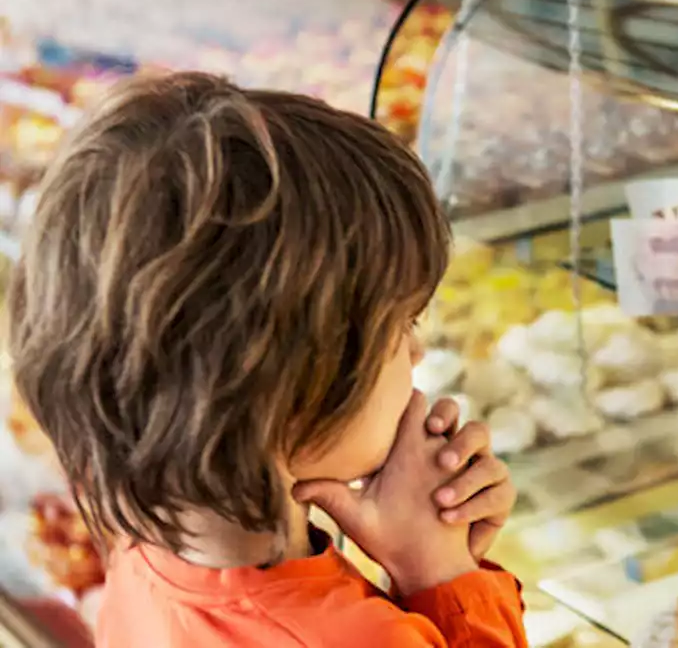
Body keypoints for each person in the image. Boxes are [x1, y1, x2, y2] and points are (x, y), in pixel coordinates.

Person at [8, 71, 526, 647]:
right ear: (286, 397)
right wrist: (445, 578)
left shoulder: (141, 548)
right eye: (401, 326)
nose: (416, 350)